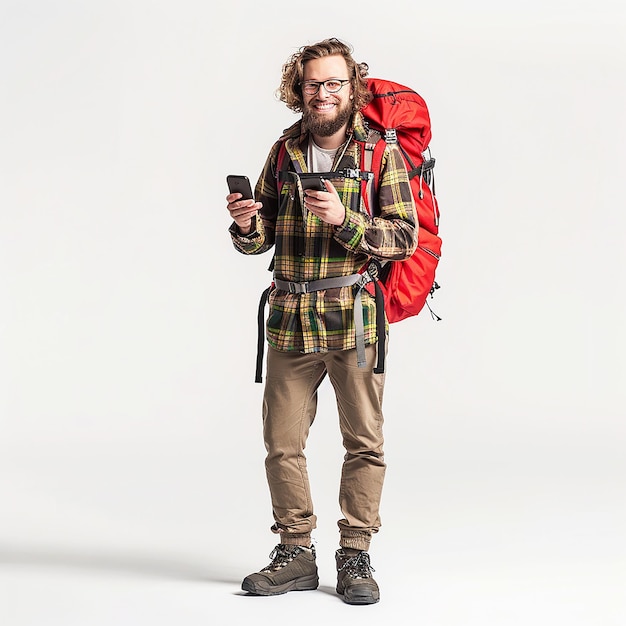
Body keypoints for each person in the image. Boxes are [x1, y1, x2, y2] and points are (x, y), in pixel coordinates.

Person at [226, 37, 417, 605]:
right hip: (289, 322)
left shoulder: (380, 152)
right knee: (281, 444)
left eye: (335, 82)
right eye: (314, 83)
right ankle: (295, 553)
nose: (324, 92)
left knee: (365, 443)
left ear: (351, 86)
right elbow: (259, 242)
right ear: (299, 89)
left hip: (355, 318)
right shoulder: (284, 152)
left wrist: (345, 219)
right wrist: (245, 223)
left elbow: (403, 238)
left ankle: (355, 553)